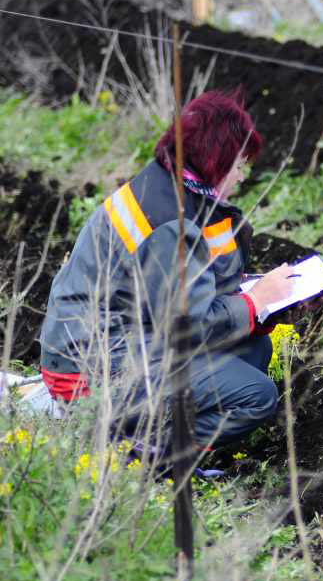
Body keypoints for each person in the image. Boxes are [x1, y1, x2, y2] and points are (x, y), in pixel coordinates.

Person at [40, 89, 296, 453]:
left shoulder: (175, 188)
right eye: (239, 166)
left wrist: (271, 303)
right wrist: (254, 303)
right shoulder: (168, 220)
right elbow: (187, 326)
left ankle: (143, 437)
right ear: (216, 162)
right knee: (255, 395)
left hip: (124, 343)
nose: (242, 177)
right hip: (89, 367)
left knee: (252, 349)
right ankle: (140, 457)